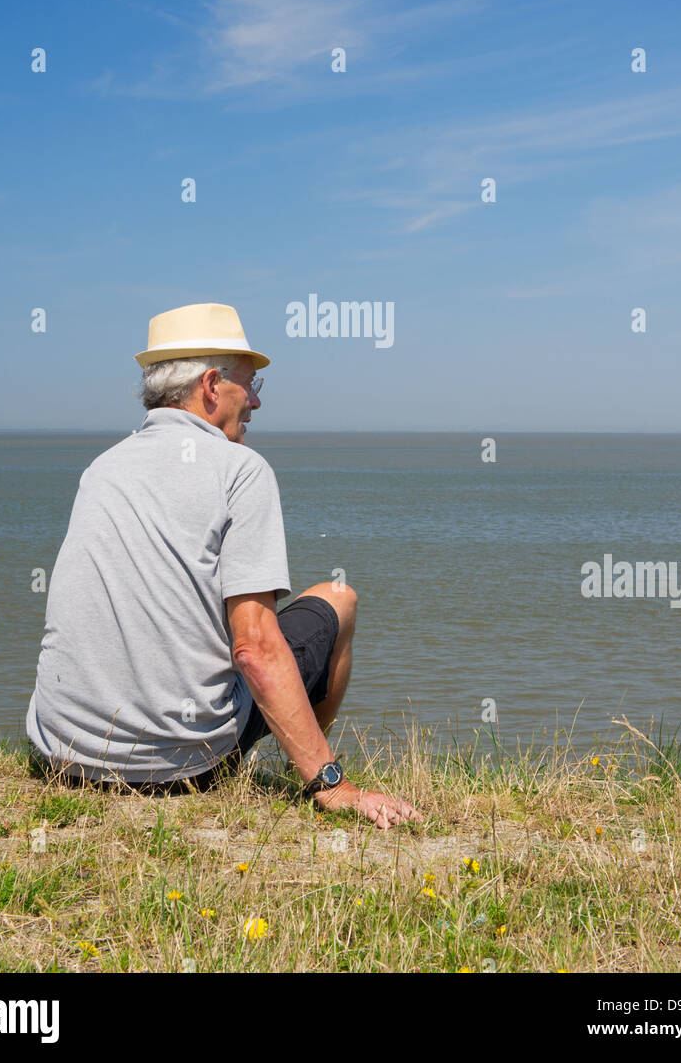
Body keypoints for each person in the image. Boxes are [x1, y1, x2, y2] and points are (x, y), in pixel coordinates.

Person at [26, 302, 421, 830]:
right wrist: (337, 786)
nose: (256, 401)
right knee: (338, 599)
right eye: (251, 385)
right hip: (178, 771)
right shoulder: (241, 470)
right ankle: (310, 772)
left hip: (60, 757)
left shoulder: (102, 469)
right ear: (212, 386)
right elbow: (253, 648)